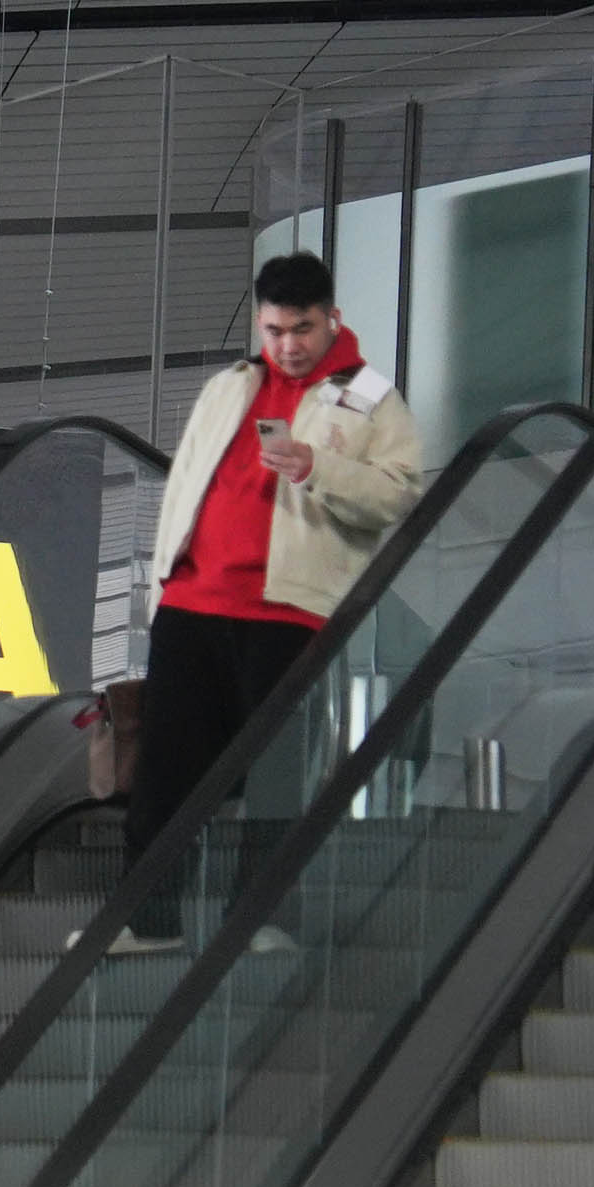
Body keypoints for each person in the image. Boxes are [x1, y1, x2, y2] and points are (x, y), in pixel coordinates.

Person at [127, 257, 428, 874]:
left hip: (291, 613)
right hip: (191, 605)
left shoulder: (371, 395)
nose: (288, 346)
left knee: (276, 784)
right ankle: (146, 916)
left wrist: (318, 467)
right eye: (274, 330)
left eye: (302, 329)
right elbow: (182, 488)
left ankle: (260, 916)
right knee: (164, 780)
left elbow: (398, 493)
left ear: (332, 319)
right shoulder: (229, 385)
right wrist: (160, 589)